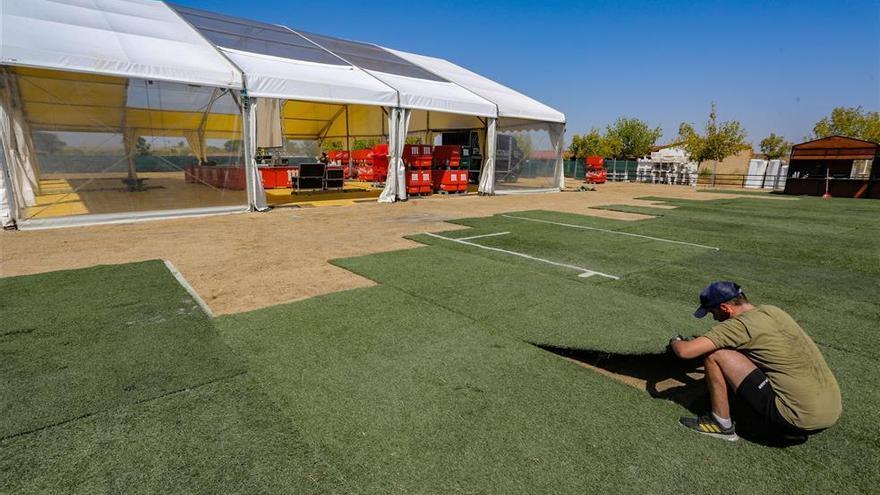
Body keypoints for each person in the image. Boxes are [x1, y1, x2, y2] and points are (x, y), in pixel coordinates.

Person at [668, 281, 841, 442]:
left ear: (724, 308)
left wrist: (675, 341)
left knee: (716, 355)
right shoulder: (772, 311)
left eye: (713, 312)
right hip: (831, 412)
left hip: (795, 417)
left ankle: (721, 424)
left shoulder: (738, 326)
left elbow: (686, 351)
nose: (714, 318)